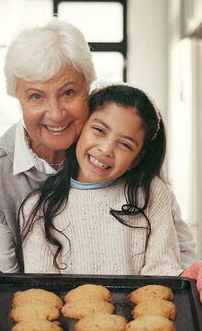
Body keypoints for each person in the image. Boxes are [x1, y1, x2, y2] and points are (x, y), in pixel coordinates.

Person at [0, 18, 202, 330]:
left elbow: (172, 265)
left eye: (68, 92)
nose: (56, 114)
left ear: (89, 89)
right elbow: (6, 286)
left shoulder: (138, 177)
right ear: (16, 97)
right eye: (35, 96)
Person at [19, 84, 182, 276]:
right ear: (80, 128)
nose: (106, 149)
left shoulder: (151, 192)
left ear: (135, 159)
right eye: (99, 130)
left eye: (125, 144)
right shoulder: (39, 207)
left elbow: (164, 272)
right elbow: (42, 293)